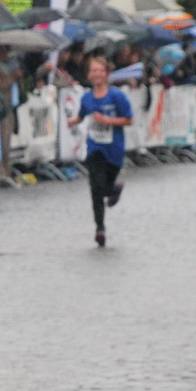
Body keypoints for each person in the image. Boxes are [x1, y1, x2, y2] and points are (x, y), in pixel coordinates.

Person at [76, 54, 131, 247]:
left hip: (114, 148)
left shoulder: (117, 96)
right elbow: (82, 115)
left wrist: (108, 121)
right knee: (95, 188)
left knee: (104, 186)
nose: (97, 74)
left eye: (100, 70)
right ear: (89, 75)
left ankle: (115, 188)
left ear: (106, 73)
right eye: (93, 70)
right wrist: (73, 121)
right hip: (95, 147)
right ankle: (100, 228)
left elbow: (128, 119)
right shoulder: (86, 98)